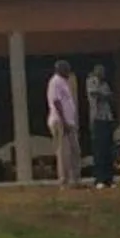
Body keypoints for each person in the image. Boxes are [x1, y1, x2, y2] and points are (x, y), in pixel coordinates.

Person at [46, 59, 81, 187]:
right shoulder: (55, 82)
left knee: (75, 150)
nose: (68, 71)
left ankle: (75, 180)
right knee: (63, 152)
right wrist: (64, 121)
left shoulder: (65, 82)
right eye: (66, 69)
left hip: (69, 122)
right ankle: (64, 181)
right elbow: (56, 102)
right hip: (60, 121)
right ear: (60, 70)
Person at [84, 64, 117, 188]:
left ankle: (109, 178)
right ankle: (100, 178)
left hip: (107, 118)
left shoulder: (105, 84)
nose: (102, 74)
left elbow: (111, 97)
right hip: (97, 118)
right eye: (100, 71)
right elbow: (96, 95)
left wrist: (107, 95)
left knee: (108, 149)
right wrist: (106, 95)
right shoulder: (91, 81)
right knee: (99, 150)